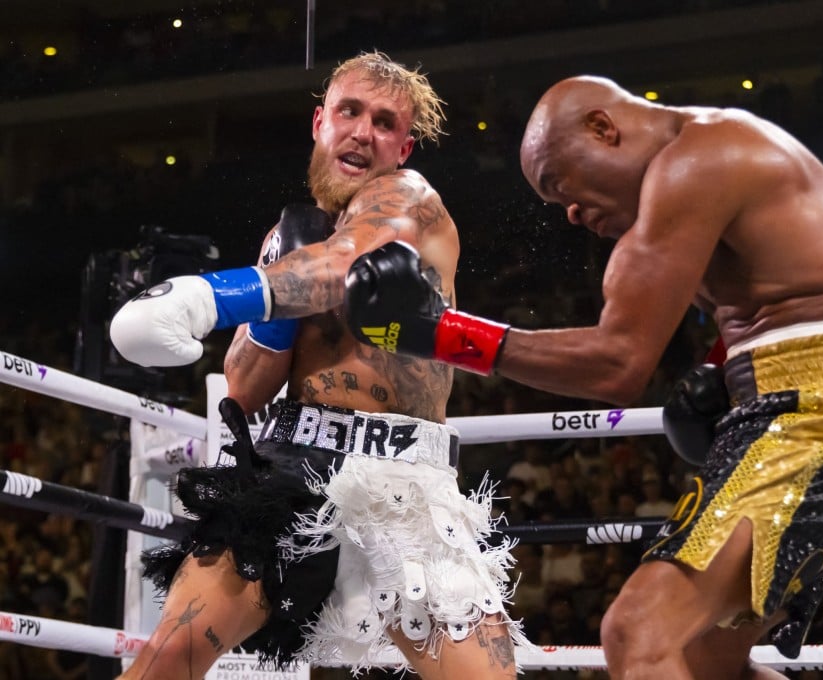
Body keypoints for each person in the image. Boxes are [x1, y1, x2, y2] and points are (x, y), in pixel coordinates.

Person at [340, 75, 823, 679]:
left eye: (559, 182)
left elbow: (620, 364)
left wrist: (442, 334)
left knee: (637, 632)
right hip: (811, 404)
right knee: (701, 663)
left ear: (603, 128)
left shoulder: (697, 160)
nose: (567, 210)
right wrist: (723, 368)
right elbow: (807, 285)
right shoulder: (697, 177)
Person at [109, 51, 524, 680]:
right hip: (289, 467)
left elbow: (340, 268)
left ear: (404, 149)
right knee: (166, 659)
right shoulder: (291, 241)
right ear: (318, 124)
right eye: (349, 112)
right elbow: (244, 390)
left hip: (400, 481)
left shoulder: (407, 198)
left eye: (385, 123)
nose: (363, 131)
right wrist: (276, 305)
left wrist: (207, 296)